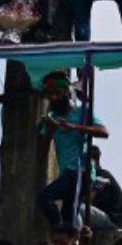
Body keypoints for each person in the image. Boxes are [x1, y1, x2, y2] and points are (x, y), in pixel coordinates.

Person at [35, 72, 116, 231]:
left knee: (45, 197)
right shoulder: (51, 118)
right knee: (69, 215)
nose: (54, 98)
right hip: (67, 173)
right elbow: (42, 153)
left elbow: (104, 132)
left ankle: (60, 232)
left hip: (81, 171)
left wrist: (75, 128)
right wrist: (50, 132)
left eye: (57, 93)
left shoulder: (82, 112)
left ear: (67, 92)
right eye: (50, 95)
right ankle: (68, 237)